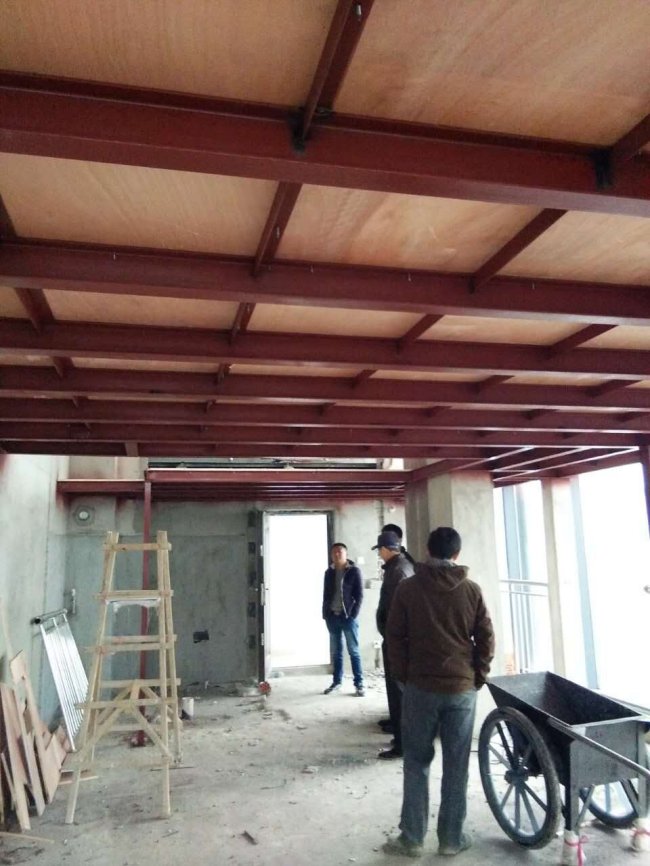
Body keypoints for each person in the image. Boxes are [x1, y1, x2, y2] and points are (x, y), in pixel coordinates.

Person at [383, 526, 495, 858]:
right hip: (460, 688)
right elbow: (486, 638)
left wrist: (403, 676)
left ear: (428, 551)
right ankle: (451, 839)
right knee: (457, 764)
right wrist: (478, 675)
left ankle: (412, 838)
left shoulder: (408, 589)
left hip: (419, 687)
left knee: (416, 762)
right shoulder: (471, 590)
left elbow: (394, 637)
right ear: (457, 554)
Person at [373, 530, 414, 759]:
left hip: (398, 642)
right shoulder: (398, 568)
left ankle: (403, 744)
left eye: (380, 550)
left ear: (385, 549)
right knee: (398, 693)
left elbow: (398, 611)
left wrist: (392, 636)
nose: (379, 554)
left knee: (399, 695)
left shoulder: (399, 571)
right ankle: (401, 738)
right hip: (396, 640)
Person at [322, 542, 365, 697]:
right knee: (336, 652)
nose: (336, 554)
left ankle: (359, 684)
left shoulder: (354, 571)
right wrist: (325, 614)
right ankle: (337, 682)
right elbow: (326, 594)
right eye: (334, 552)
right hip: (332, 617)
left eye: (340, 551)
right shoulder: (329, 572)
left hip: (348, 617)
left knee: (354, 651)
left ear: (346, 554)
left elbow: (359, 595)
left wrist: (353, 614)